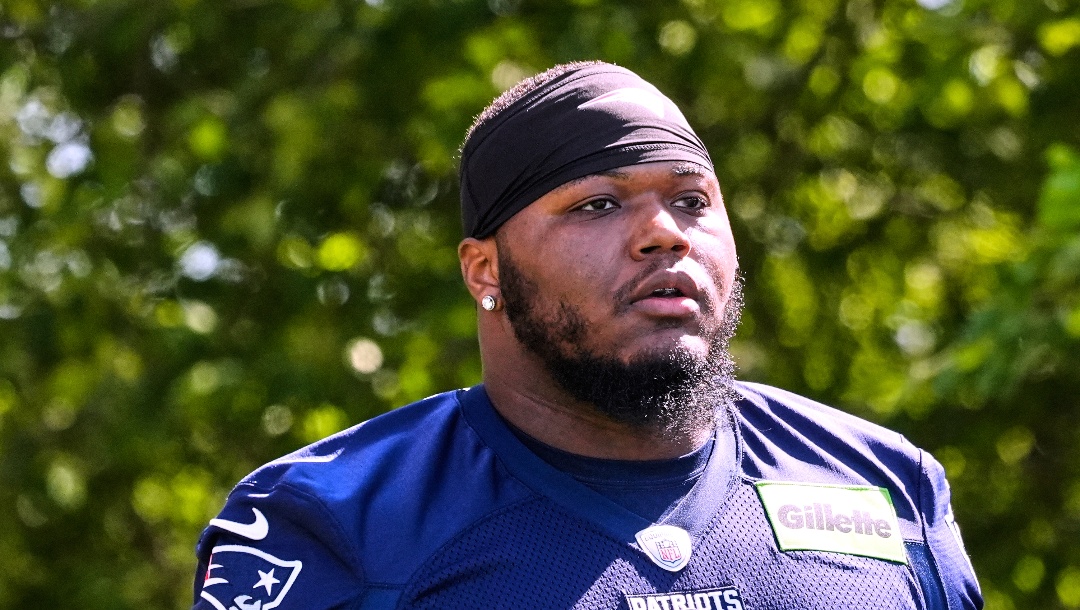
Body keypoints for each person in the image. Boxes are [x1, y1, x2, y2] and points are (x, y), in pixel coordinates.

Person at [192, 61, 982, 610]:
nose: (664, 234)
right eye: (597, 204)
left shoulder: (887, 486)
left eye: (693, 200)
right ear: (483, 271)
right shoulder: (331, 521)